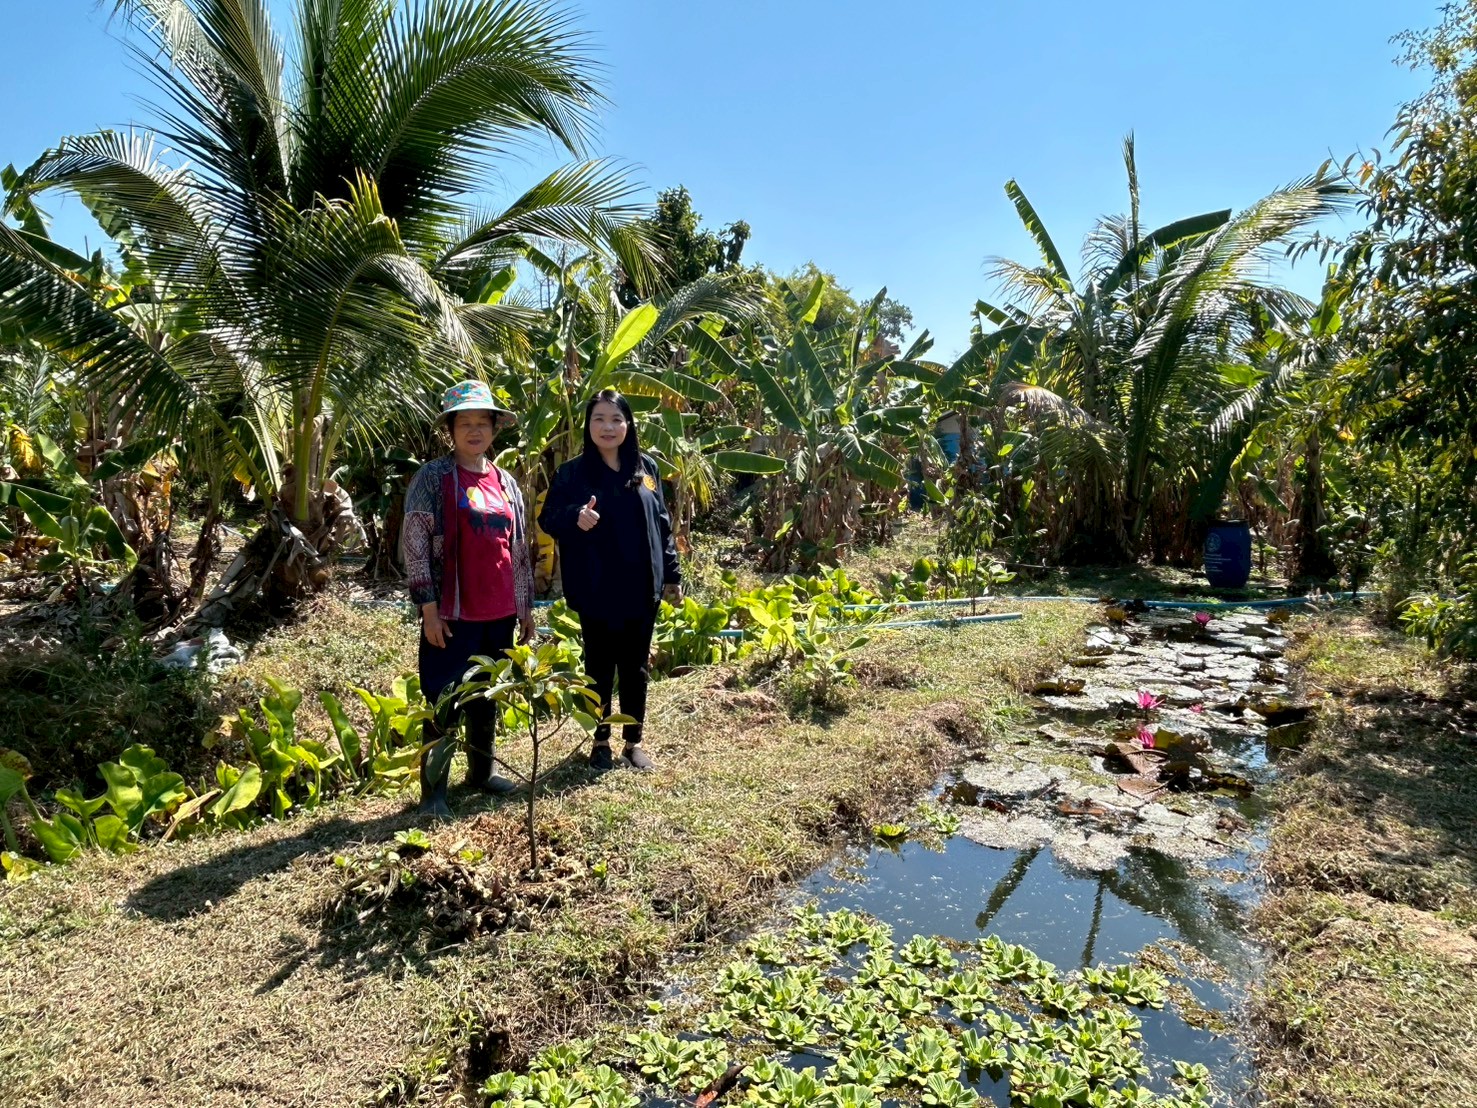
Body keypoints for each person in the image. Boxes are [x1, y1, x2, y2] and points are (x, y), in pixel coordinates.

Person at [401, 380, 536, 819]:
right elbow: (415, 544)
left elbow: (518, 548)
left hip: (499, 612)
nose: (475, 431)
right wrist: (428, 609)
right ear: (451, 431)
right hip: (453, 612)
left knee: (486, 694)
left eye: (483, 422)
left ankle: (482, 773)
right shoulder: (432, 478)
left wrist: (525, 609)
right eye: (465, 424)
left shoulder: (505, 482)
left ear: (495, 429)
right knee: (444, 697)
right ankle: (433, 794)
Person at [539, 389, 681, 771]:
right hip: (596, 586)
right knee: (599, 666)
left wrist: (672, 574)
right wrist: (575, 515)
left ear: (628, 424)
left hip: (641, 586)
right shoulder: (572, 473)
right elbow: (547, 518)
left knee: (636, 667)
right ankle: (599, 740)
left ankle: (633, 742)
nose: (608, 427)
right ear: (588, 425)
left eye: (616, 419)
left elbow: (662, 524)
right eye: (599, 419)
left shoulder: (646, 468)